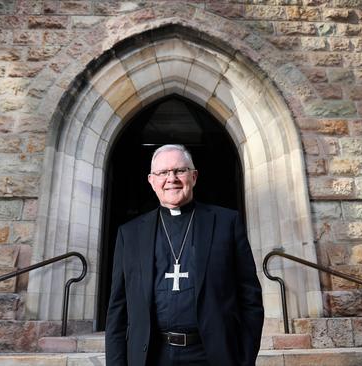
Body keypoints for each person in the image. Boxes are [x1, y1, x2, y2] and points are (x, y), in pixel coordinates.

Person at [105, 144, 264, 366]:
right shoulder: (129, 234)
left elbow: (250, 299)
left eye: (180, 170)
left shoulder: (226, 223)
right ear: (151, 180)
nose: (172, 179)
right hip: (151, 356)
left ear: (194, 176)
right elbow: (117, 310)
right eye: (163, 173)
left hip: (211, 356)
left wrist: (244, 360)